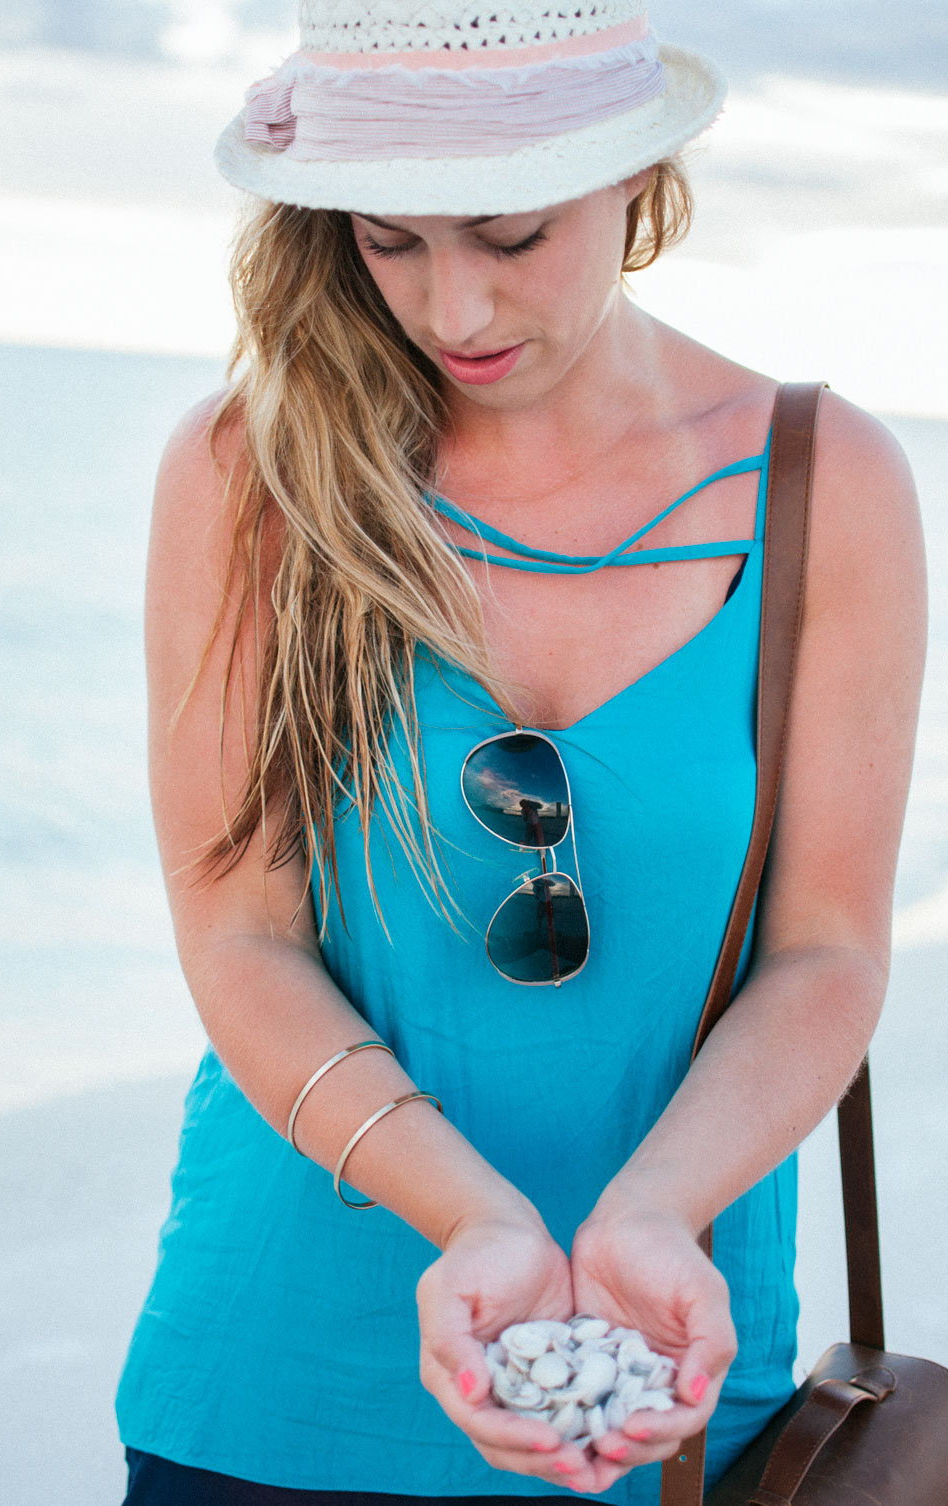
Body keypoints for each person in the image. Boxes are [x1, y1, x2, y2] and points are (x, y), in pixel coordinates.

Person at [114, 3, 927, 1503]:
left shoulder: (827, 486)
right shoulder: (254, 472)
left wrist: (654, 1215)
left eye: (509, 232)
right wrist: (473, 1215)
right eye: (389, 242)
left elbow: (824, 952)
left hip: (661, 1376)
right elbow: (238, 936)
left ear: (639, 175)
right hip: (273, 1387)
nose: (455, 310)